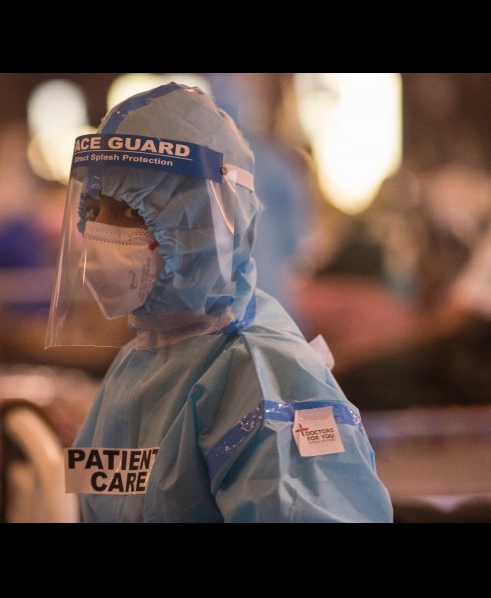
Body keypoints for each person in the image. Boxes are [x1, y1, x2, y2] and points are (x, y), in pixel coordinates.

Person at [45, 82, 393, 523]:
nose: (98, 232)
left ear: (204, 225)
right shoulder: (140, 366)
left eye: (131, 211)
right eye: (94, 209)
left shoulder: (264, 380)